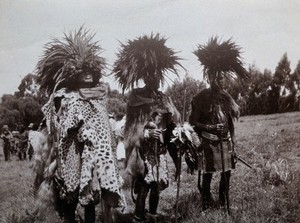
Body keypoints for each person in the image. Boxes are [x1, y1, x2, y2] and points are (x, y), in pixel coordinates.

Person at [34, 27, 125, 222]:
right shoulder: (66, 97)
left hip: (94, 155)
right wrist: (78, 129)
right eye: (83, 72)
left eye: (91, 71)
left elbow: (105, 128)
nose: (88, 75)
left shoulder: (99, 99)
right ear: (76, 75)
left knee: (90, 198)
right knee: (71, 196)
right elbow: (61, 126)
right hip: (72, 152)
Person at [113, 33, 183, 222]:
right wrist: (146, 132)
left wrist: (176, 136)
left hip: (159, 151)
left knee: (157, 185)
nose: (156, 78)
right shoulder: (136, 97)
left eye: (158, 75)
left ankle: (152, 215)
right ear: (145, 76)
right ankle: (138, 216)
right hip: (142, 152)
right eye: (152, 75)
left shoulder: (164, 98)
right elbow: (130, 129)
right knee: (144, 184)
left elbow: (170, 126)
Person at [189, 37, 250, 211]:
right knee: (207, 175)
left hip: (225, 142)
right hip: (208, 142)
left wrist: (233, 144)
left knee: (227, 174)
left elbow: (231, 124)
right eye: (217, 77)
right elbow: (193, 122)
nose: (221, 81)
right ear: (209, 78)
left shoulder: (227, 98)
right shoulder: (200, 98)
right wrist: (210, 127)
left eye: (222, 78)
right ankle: (206, 205)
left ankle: (223, 203)